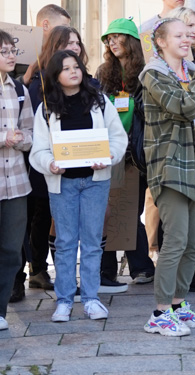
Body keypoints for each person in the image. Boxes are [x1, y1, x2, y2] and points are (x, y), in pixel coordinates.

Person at [140, 18, 195, 336]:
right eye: (178, 34)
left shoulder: (194, 71)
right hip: (171, 167)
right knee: (175, 241)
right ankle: (159, 312)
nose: (186, 38)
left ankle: (178, 305)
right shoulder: (153, 73)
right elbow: (188, 107)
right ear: (161, 42)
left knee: (194, 242)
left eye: (188, 34)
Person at [30, 50, 127, 322]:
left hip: (95, 182)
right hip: (62, 184)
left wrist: (109, 157)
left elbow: (118, 138)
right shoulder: (46, 108)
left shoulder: (100, 101)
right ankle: (64, 300)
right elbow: (38, 148)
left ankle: (91, 298)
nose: (73, 72)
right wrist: (50, 164)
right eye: (66, 68)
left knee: (93, 242)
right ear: (55, 75)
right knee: (65, 243)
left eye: (77, 67)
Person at [96, 18, 157, 285]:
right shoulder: (102, 73)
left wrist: (131, 103)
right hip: (108, 151)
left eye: (118, 36)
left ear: (130, 41)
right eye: (109, 38)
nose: (112, 41)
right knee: (106, 209)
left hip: (135, 153)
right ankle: (107, 270)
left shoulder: (145, 73)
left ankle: (140, 267)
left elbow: (149, 111)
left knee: (130, 209)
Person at [0, 29, 33, 331]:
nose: (11, 56)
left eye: (12, 50)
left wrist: (22, 139)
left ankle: (0, 311)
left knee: (12, 250)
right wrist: (4, 138)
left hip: (17, 184)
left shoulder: (19, 89)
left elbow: (30, 132)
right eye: (4, 51)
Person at [21, 4, 71, 85]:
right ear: (45, 25)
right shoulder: (15, 48)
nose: (67, 32)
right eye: (63, 27)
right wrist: (24, 78)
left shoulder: (66, 49)